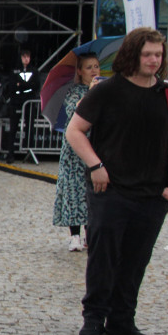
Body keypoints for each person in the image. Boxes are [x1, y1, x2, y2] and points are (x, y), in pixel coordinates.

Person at [65, 28, 168, 335]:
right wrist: (96, 166)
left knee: (136, 260)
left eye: (159, 54)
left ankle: (122, 319)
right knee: (103, 257)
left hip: (152, 194)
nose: (154, 60)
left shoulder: (166, 95)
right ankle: (94, 317)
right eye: (148, 54)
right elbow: (75, 131)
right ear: (133, 55)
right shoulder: (107, 91)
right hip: (110, 190)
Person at [52, 52, 101, 252]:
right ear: (80, 71)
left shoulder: (103, 90)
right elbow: (76, 112)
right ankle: (74, 236)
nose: (94, 71)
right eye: (89, 67)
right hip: (74, 152)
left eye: (96, 66)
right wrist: (90, 92)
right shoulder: (74, 92)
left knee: (92, 193)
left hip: (95, 147)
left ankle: (91, 234)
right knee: (74, 191)